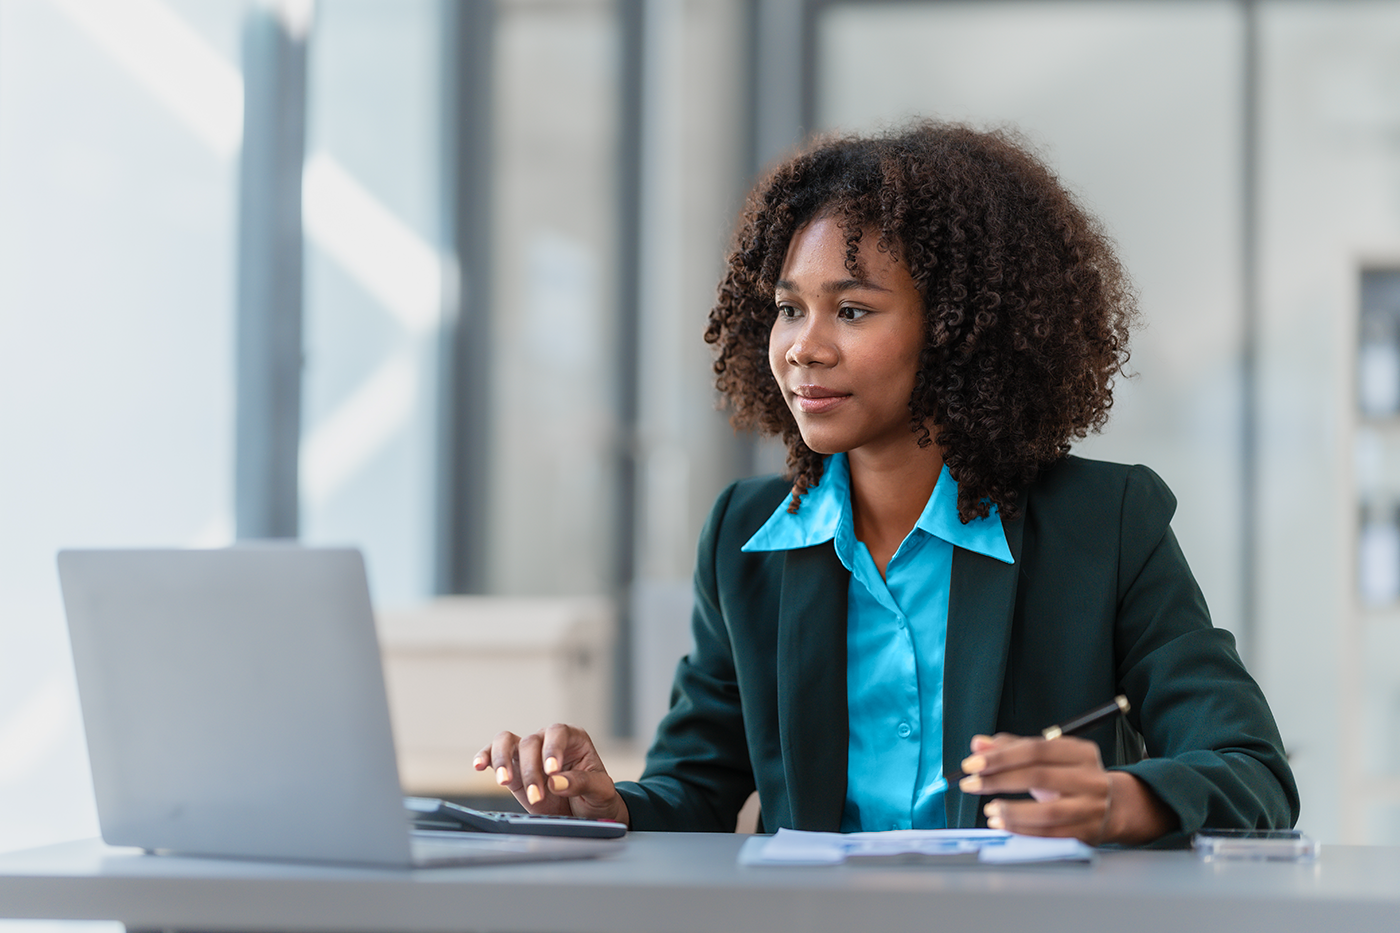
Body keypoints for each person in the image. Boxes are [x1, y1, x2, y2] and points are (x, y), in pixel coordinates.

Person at [475, 120, 1299, 845]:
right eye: (790, 308)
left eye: (854, 310)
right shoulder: (745, 536)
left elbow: (1251, 768)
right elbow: (697, 785)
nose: (803, 346)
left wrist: (1116, 802)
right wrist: (609, 803)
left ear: (956, 331)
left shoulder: (1106, 523)